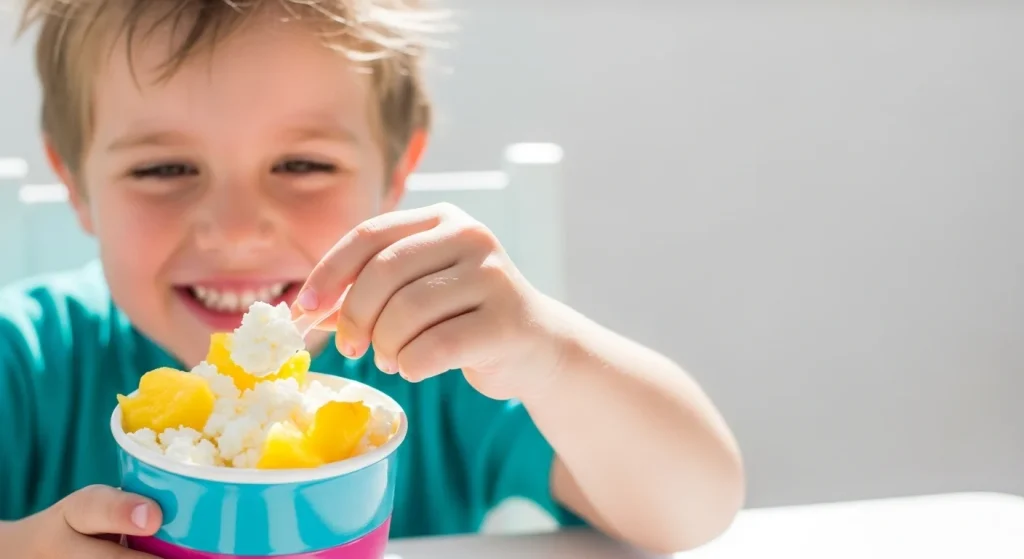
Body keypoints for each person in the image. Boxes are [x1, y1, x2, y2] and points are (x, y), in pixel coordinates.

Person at [0, 0, 745, 556]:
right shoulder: (22, 362)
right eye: (163, 169)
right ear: (75, 182)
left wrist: (546, 351)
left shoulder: (441, 360)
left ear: (397, 171)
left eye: (302, 165)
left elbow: (696, 507)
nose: (234, 228)